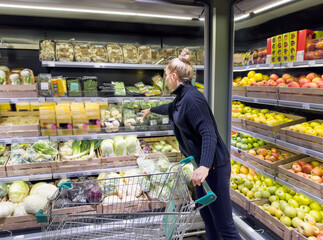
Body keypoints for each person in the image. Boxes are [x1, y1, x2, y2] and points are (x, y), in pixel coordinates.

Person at [142, 48, 241, 240]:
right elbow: (172, 108)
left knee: (224, 225)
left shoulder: (193, 98)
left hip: (213, 167)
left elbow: (208, 133)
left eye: (165, 77)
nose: (165, 81)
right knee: (208, 216)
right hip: (201, 168)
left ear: (173, 76)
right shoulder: (182, 96)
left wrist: (204, 166)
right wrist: (151, 109)